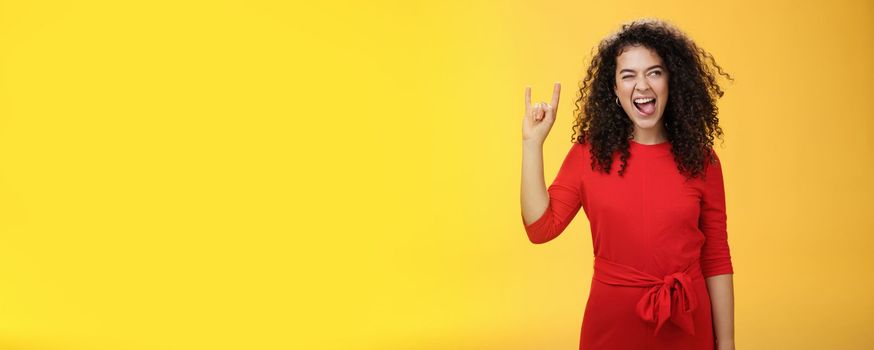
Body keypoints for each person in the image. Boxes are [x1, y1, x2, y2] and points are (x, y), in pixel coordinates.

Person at [520, 18, 736, 350]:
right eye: (628, 75)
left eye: (654, 72)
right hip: (611, 327)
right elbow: (540, 229)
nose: (643, 86)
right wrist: (532, 144)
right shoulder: (588, 155)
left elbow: (716, 258)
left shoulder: (703, 162)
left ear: (671, 80)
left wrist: (726, 343)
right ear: (614, 89)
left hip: (688, 326)